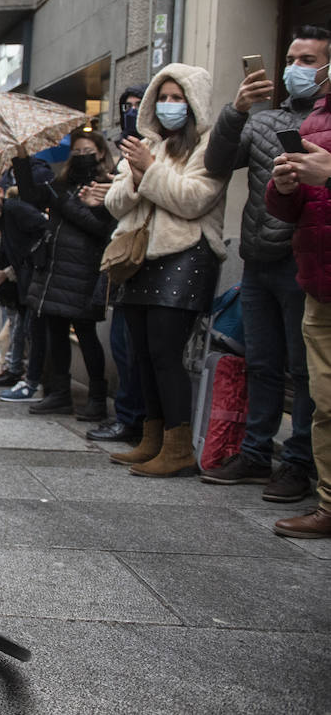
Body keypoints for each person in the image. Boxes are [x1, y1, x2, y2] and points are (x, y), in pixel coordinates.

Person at [199, 27, 329, 501]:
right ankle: (255, 454)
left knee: (304, 369)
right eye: (292, 58)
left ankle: (298, 461)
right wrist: (236, 110)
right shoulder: (261, 120)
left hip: (302, 261)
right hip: (257, 261)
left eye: (309, 60)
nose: (296, 68)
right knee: (261, 363)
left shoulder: (327, 120)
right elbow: (215, 162)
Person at [105, 64, 227, 477]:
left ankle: (177, 446)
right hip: (140, 259)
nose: (169, 106)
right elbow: (115, 203)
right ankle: (152, 439)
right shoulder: (148, 142)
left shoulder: (210, 145)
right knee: (141, 355)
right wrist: (140, 172)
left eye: (178, 98)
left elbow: (194, 199)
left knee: (165, 354)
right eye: (165, 97)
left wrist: (148, 170)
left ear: (194, 103)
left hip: (186, 257)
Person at [265, 65, 331, 536]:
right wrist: (284, 187)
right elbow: (291, 206)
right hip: (319, 280)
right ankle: (328, 504)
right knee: (325, 402)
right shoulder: (315, 119)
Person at [13, 132, 118, 420]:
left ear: (100, 153)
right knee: (55, 335)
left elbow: (101, 228)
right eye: (77, 150)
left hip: (83, 272)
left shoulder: (110, 184)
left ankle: (97, 397)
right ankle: (58, 393)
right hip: (54, 271)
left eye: (87, 149)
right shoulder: (62, 184)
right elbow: (31, 197)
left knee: (86, 336)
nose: (81, 154)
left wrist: (65, 204)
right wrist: (22, 159)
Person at [88, 85, 150, 443]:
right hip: (123, 261)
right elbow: (117, 207)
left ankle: (140, 422)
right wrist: (107, 196)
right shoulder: (122, 160)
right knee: (123, 346)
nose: (131, 112)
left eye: (138, 106)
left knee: (140, 351)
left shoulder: (155, 151)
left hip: (150, 258)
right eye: (126, 107)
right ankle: (130, 418)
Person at [0, 174, 49, 397]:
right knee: (22, 330)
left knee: (30, 331)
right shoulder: (4, 215)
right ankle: (17, 372)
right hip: (21, 282)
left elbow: (41, 234)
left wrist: (12, 271)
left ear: (0, 192)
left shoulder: (17, 210)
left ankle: (31, 381)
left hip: (34, 279)